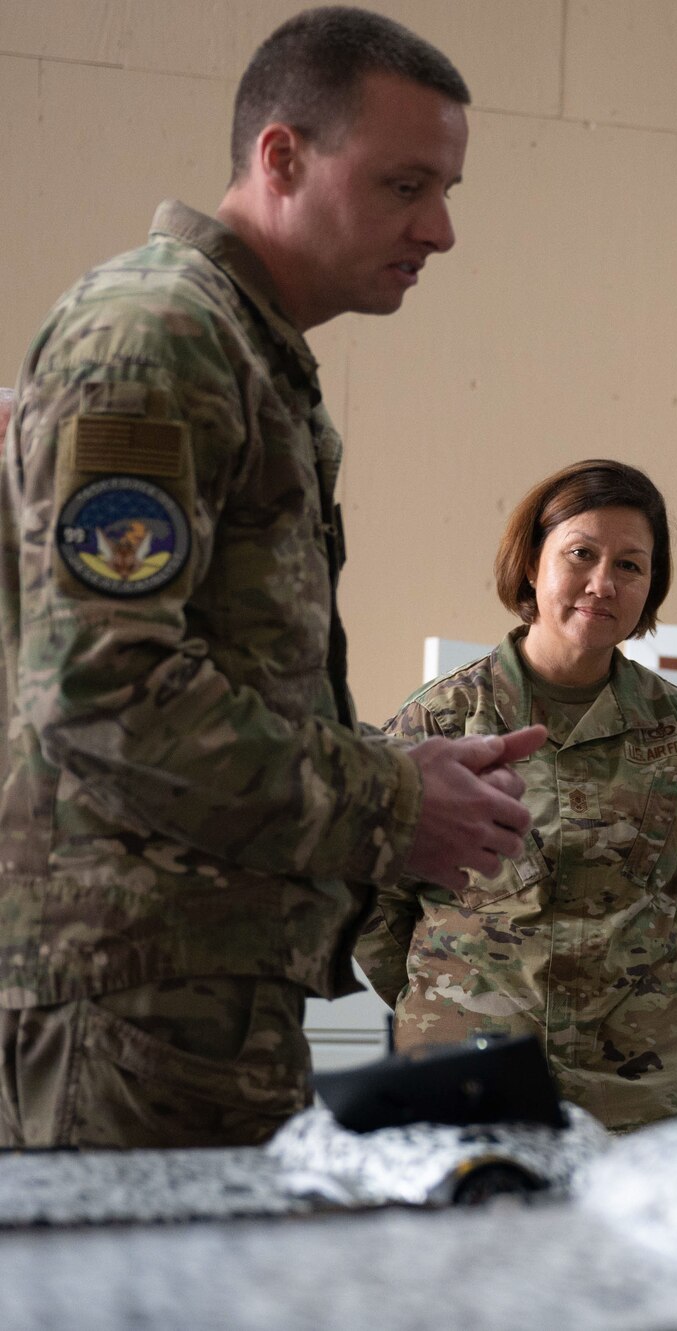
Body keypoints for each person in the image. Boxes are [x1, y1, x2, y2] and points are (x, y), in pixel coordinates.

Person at [0, 7, 544, 1151]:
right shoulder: (156, 336)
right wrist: (395, 804)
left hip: (197, 1001)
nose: (440, 229)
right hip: (128, 1011)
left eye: (447, 190)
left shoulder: (242, 352)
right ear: (281, 156)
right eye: (405, 185)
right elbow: (105, 693)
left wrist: (392, 766)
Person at [355, 460, 677, 1130]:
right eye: (581, 553)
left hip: (641, 1092)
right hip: (467, 1078)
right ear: (531, 564)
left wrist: (640, 996)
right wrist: (446, 1001)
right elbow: (373, 895)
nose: (603, 583)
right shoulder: (444, 721)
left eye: (631, 565)